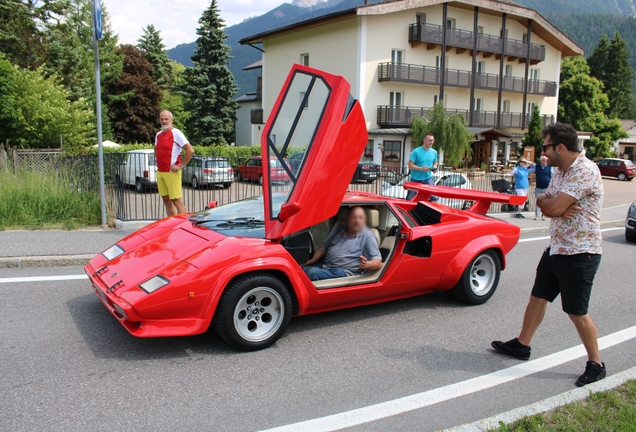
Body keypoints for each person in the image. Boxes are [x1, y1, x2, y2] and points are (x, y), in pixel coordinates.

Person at [491, 122, 605, 387]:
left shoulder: (585, 171)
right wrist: (552, 205)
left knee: (577, 312)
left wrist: (553, 206)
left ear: (560, 148)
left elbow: (551, 205)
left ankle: (596, 364)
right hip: (557, 247)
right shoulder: (561, 171)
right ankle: (522, 345)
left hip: (580, 252)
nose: (543, 153)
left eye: (546, 147)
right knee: (537, 298)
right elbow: (544, 202)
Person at [303, 206, 382, 281]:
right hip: (326, 267)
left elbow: (378, 262)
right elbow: (321, 250)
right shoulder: (341, 230)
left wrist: (367, 264)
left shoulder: (368, 236)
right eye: (354, 217)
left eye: (360, 218)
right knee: (299, 271)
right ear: (348, 218)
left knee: (312, 272)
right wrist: (302, 262)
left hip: (343, 272)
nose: (357, 221)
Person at [155, 110, 194, 216]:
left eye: (166, 119)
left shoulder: (176, 133)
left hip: (172, 173)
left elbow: (190, 150)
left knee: (177, 201)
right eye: (162, 119)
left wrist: (181, 165)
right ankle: (171, 226)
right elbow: (156, 150)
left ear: (171, 120)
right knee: (166, 201)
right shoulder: (158, 135)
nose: (164, 121)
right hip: (160, 172)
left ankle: (183, 226)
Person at [406, 134, 438, 201]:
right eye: (429, 140)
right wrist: (421, 169)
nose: (431, 142)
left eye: (432, 140)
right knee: (410, 198)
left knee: (434, 197)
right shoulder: (416, 152)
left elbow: (435, 162)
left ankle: (435, 211)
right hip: (415, 179)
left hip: (427, 178)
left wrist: (434, 167)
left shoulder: (434, 152)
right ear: (424, 140)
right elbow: (410, 165)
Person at [534, 155, 552, 220]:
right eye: (543, 160)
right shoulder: (537, 166)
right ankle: (537, 215)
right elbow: (528, 171)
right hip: (538, 187)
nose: (545, 161)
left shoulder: (550, 167)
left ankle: (543, 215)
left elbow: (553, 176)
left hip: (546, 187)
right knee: (538, 201)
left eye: (546, 160)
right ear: (541, 160)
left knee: (545, 202)